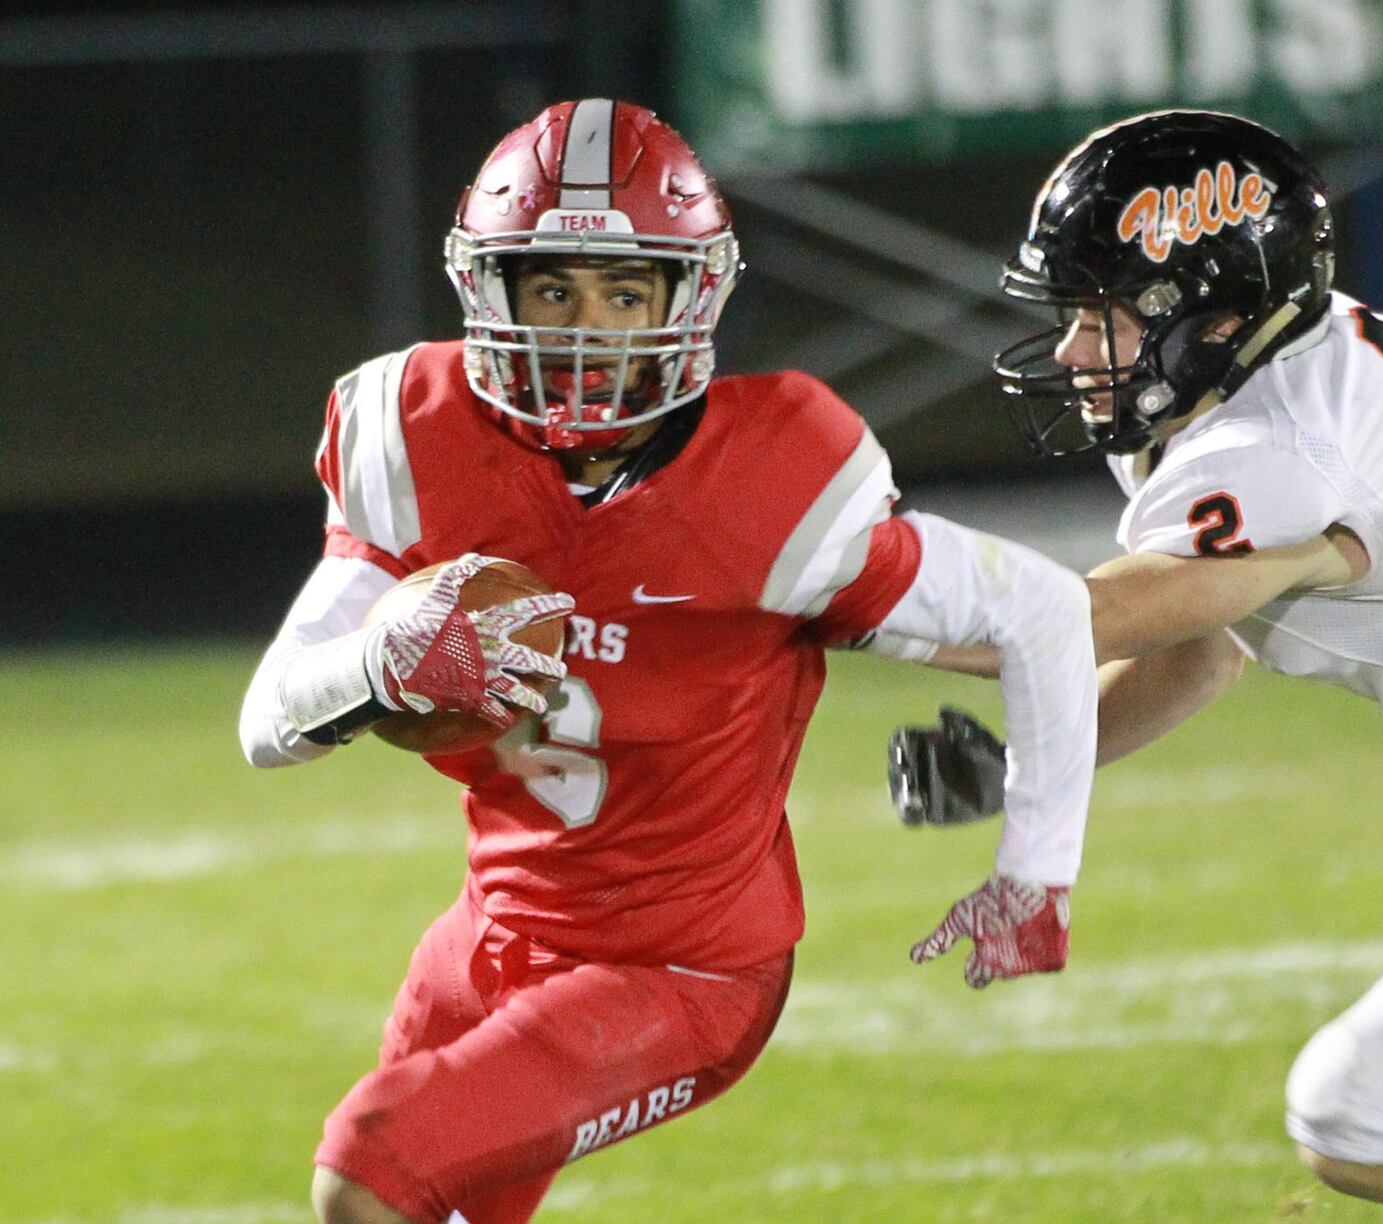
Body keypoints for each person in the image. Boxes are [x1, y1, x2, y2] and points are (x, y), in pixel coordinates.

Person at [239, 98, 1099, 1224]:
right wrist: (380, 661)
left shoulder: (778, 480)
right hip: (493, 930)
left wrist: (1033, 875)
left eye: (623, 290)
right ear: (487, 290)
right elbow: (267, 724)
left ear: (686, 298)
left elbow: (1040, 610)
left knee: (370, 1167)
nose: (586, 326)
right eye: (551, 288)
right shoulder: (415, 428)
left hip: (681, 970)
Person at [890, 109, 1383, 1215]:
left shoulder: (1277, 442)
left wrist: (836, 589)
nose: (1073, 350)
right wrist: (1025, 760)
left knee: (1367, 1112)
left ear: (1213, 314)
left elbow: (1074, 622)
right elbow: (1194, 658)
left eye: (1099, 314)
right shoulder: (1258, 383)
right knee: (1363, 1110)